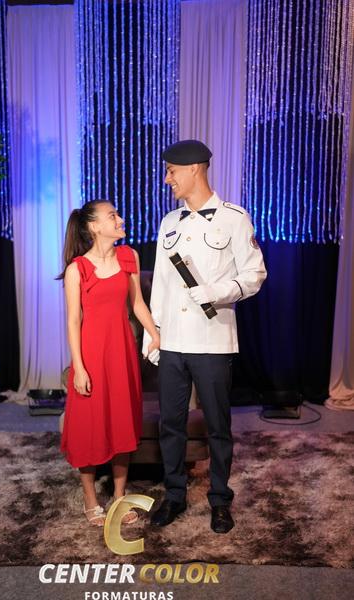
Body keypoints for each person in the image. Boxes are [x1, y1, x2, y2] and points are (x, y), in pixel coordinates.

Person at [143, 140, 267, 533]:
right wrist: (152, 333)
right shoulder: (169, 222)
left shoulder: (234, 218)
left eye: (171, 171)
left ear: (194, 168)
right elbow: (161, 284)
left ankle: (220, 500)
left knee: (217, 425)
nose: (167, 179)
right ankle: (174, 495)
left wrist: (216, 291)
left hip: (212, 340)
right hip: (173, 341)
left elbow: (255, 275)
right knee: (171, 424)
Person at [59, 199, 160, 526]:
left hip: (122, 354)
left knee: (121, 424)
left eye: (117, 214)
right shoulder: (77, 269)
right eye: (112, 215)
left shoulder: (129, 256)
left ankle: (119, 496)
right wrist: (79, 367)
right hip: (91, 357)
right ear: (94, 226)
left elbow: (138, 304)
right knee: (89, 427)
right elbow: (73, 321)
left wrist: (155, 334)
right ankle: (91, 499)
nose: (120, 219)